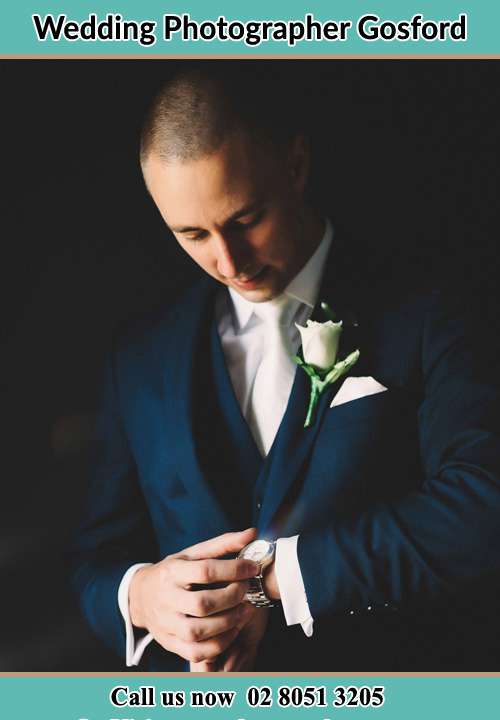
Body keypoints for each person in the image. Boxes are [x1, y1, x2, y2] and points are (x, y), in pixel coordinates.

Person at [71, 64, 500, 672]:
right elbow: (95, 562)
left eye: (245, 220)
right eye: (192, 234)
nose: (227, 260)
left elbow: (485, 505)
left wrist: (271, 581)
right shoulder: (137, 356)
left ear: (295, 166)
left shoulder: (431, 304)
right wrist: (139, 594)